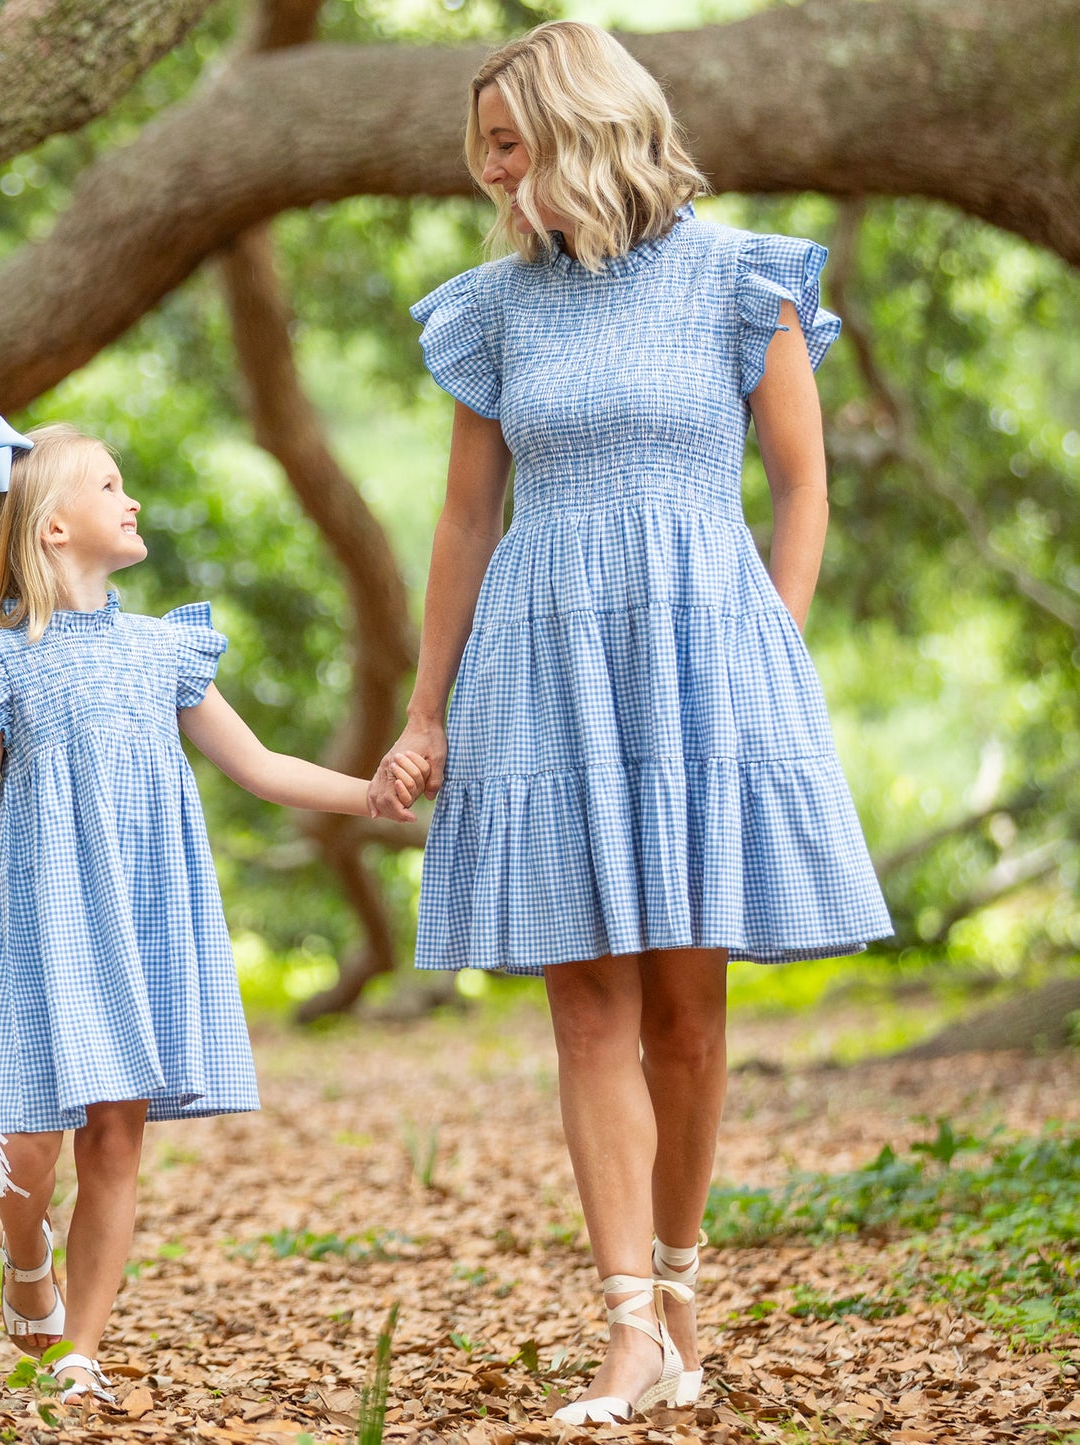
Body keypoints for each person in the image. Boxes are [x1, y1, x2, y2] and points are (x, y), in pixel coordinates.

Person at [367, 21, 892, 1426]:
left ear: (580, 126)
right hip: (540, 663)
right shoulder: (496, 305)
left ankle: (679, 1292)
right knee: (583, 1003)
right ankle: (625, 1332)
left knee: (687, 1013)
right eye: (482, 149)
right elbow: (466, 518)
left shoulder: (742, 278)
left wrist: (764, 650)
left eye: (502, 143)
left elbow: (800, 489)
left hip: (696, 657)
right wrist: (427, 710)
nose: (486, 173)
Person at [0, 415, 427, 1405]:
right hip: (42, 923)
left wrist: (368, 790)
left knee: (116, 1132)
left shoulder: (163, 650)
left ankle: (80, 1351)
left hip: (143, 920)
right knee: (24, 1138)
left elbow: (261, 764)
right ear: (53, 528)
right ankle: (26, 1254)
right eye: (108, 484)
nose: (129, 497)